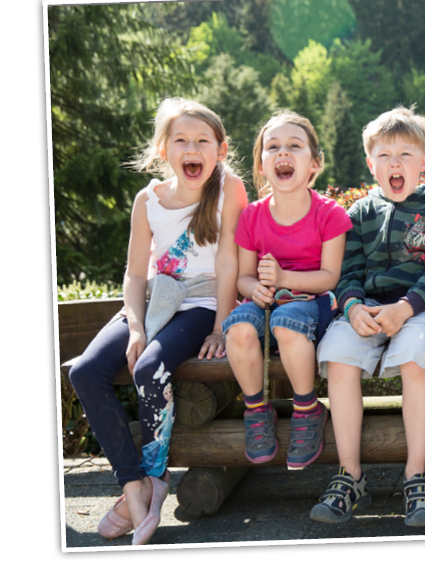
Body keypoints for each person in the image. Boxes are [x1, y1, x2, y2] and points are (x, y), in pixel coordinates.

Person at [66, 98, 248, 545]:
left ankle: (156, 473)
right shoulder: (147, 199)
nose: (192, 147)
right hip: (153, 300)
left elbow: (228, 265)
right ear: (163, 150)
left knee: (149, 369)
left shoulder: (231, 190)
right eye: (181, 140)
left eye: (202, 140)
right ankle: (135, 487)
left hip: (203, 304)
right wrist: (136, 327)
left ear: (220, 150)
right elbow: (133, 273)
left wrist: (220, 326)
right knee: (86, 370)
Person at [311, 106, 425, 527]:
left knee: (414, 354)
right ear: (371, 164)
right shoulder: (356, 213)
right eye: (385, 155)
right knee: (338, 353)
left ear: (423, 162)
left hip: (421, 306)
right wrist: (353, 307)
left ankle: (416, 475)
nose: (396, 164)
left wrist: (406, 308)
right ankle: (351, 474)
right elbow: (347, 272)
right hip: (367, 308)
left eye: (406, 154)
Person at [222, 111, 350, 470]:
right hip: (265, 305)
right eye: (273, 146)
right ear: (262, 164)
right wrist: (255, 289)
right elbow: (244, 278)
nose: (283, 153)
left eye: (295, 146)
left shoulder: (329, 214)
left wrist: (283, 278)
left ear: (314, 163)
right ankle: (256, 411)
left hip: (312, 307)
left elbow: (329, 278)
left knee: (288, 321)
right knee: (239, 327)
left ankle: (307, 409)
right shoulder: (252, 216)